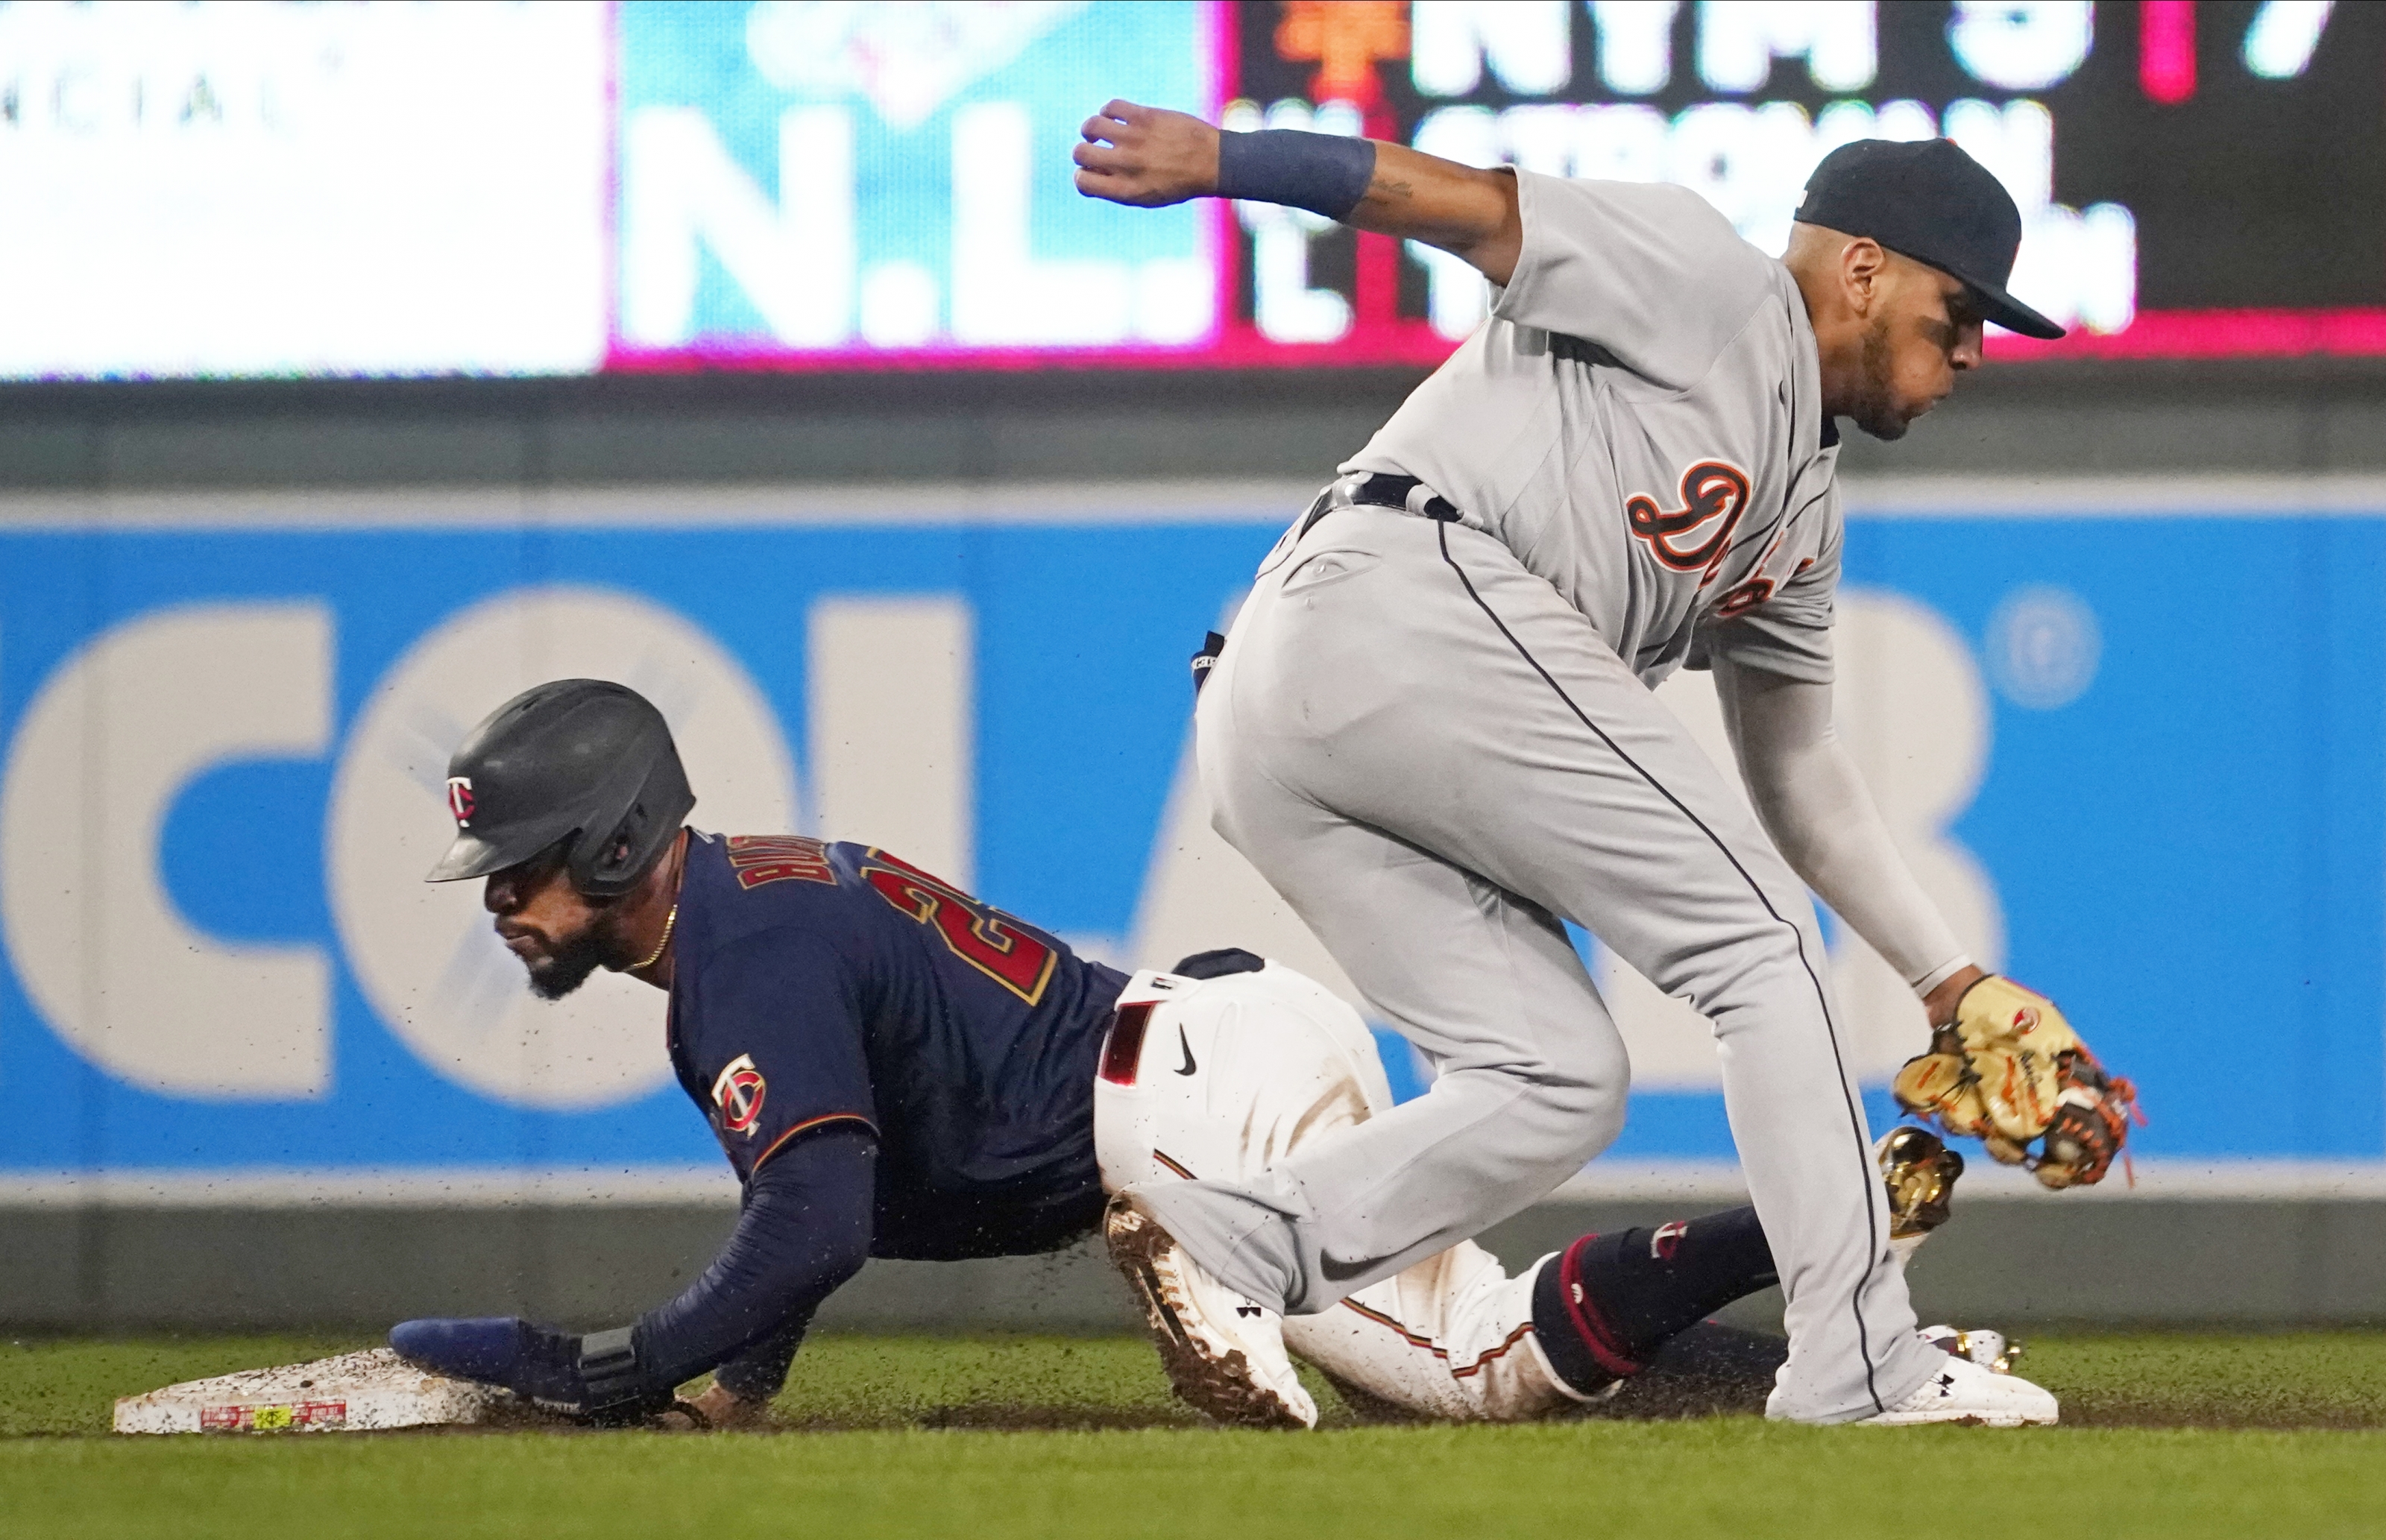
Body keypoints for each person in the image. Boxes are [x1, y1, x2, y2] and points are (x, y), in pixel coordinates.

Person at [1071, 104, 2081, 1425]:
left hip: (1312, 702)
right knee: (1764, 945)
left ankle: (1234, 1244)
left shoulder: (1801, 511)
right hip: (1395, 597)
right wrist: (1226, 164)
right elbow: (1467, 206)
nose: (1972, 351)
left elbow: (1800, 777)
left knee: (1556, 1078)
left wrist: (1950, 982)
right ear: (1864, 268)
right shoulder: (1710, 281)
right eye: (1962, 311)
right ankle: (1859, 1362)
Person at [385, 680, 2024, 1429]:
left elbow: (811, 1220)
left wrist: (629, 1364)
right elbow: (820, 1205)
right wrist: (736, 1379)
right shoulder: (750, 908)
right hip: (1210, 1048)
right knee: (1465, 1334)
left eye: (518, 870)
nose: (504, 907)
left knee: (1475, 1372)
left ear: (608, 851)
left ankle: (1824, 1227)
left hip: (1181, 1119)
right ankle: (1846, 1286)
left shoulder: (738, 953)